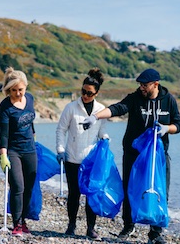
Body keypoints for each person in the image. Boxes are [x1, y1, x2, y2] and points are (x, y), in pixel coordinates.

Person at [81, 68, 180, 244]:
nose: (141, 87)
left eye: (145, 84)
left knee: (160, 191)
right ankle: (128, 226)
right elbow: (117, 108)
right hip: (134, 154)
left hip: (157, 157)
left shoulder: (168, 100)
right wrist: (96, 117)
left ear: (155, 84)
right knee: (130, 189)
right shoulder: (135, 98)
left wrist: (167, 129)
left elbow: (178, 124)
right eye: (140, 84)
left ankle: (155, 232)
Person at [55, 68, 108, 239]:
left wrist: (105, 139)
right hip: (72, 158)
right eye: (83, 92)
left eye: (89, 93)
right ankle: (71, 225)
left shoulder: (101, 110)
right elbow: (61, 130)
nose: (85, 95)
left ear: (97, 93)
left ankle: (90, 228)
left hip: (91, 160)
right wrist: (60, 150)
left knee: (91, 194)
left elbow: (101, 132)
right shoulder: (71, 107)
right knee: (74, 194)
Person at [0, 67, 37, 237]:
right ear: (8, 90)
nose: (18, 94)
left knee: (29, 187)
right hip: (12, 150)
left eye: (20, 90)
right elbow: (3, 134)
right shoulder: (5, 107)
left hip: (30, 149)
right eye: (13, 90)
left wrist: (35, 140)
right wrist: (3, 155)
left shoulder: (30, 99)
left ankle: (23, 220)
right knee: (18, 187)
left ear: (26, 87)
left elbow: (31, 124)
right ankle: (17, 224)